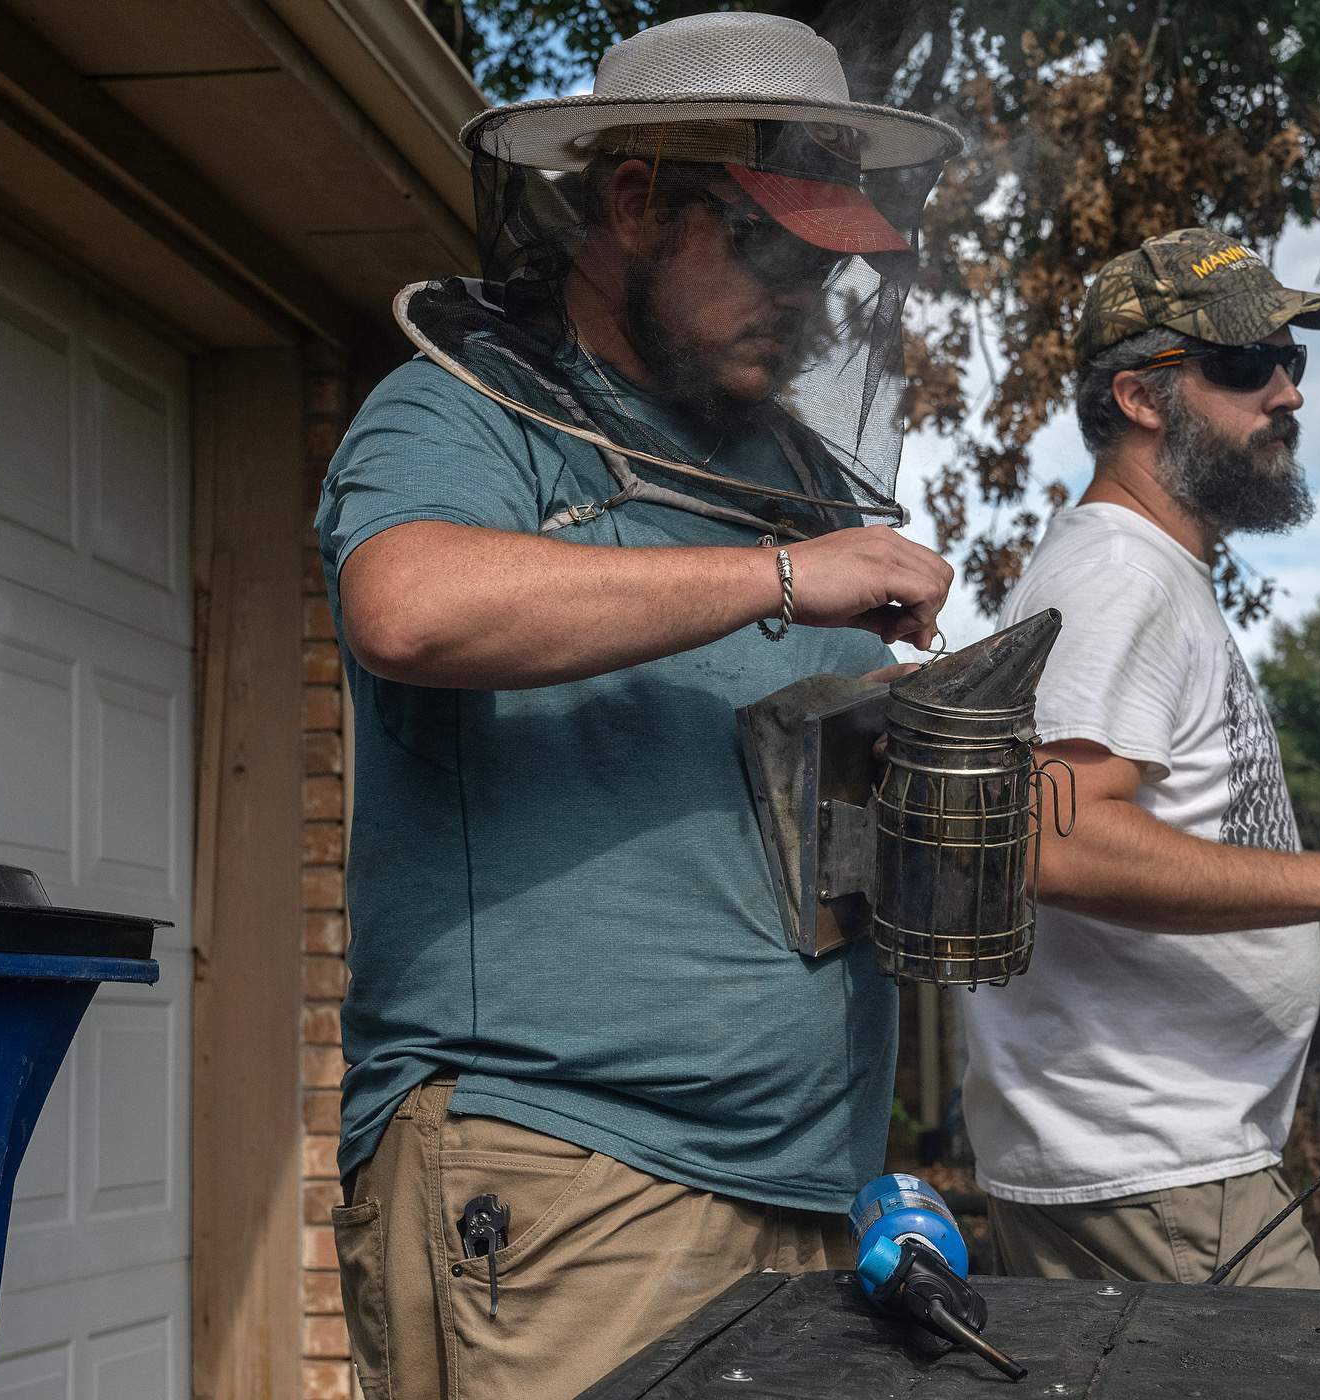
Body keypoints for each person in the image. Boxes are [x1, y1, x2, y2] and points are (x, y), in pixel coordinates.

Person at [313, 15, 962, 1398]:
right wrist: (785, 578)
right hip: (564, 1187)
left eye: (828, 265)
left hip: (810, 1190)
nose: (805, 298)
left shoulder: (790, 480)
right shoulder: (474, 416)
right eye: (768, 247)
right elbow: (409, 605)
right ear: (633, 203)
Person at [962, 227, 1320, 1290]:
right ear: (1141, 398)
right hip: (1155, 1172)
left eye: (1294, 363)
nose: (1287, 393)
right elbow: (1051, 840)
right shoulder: (1118, 574)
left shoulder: (1153, 571)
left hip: (1170, 1165)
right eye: (1246, 366)